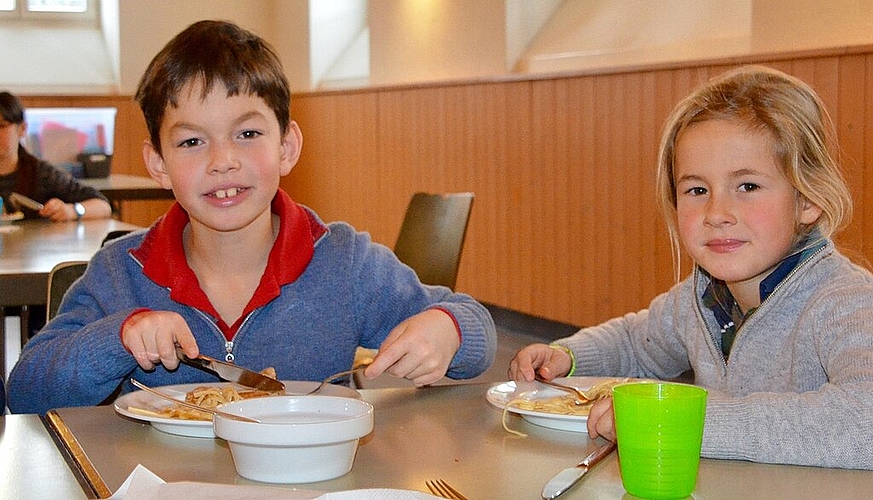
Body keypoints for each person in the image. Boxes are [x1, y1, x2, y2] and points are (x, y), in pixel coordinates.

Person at [7, 20, 496, 414]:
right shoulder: (122, 272)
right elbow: (26, 390)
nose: (223, 160)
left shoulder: (343, 263)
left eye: (247, 134)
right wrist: (117, 337)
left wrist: (446, 327)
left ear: (286, 147)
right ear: (158, 163)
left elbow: (477, 330)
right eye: (191, 141)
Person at [509, 66, 873, 470]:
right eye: (697, 190)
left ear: (808, 199)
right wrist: (567, 356)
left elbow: (865, 421)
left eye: (747, 186)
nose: (717, 213)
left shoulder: (846, 303)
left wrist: (684, 421)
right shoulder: (701, 297)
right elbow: (637, 341)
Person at [0, 91, 112, 221]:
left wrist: (71, 211)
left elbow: (103, 205)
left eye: (2, 126)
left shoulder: (40, 173)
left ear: (22, 129)